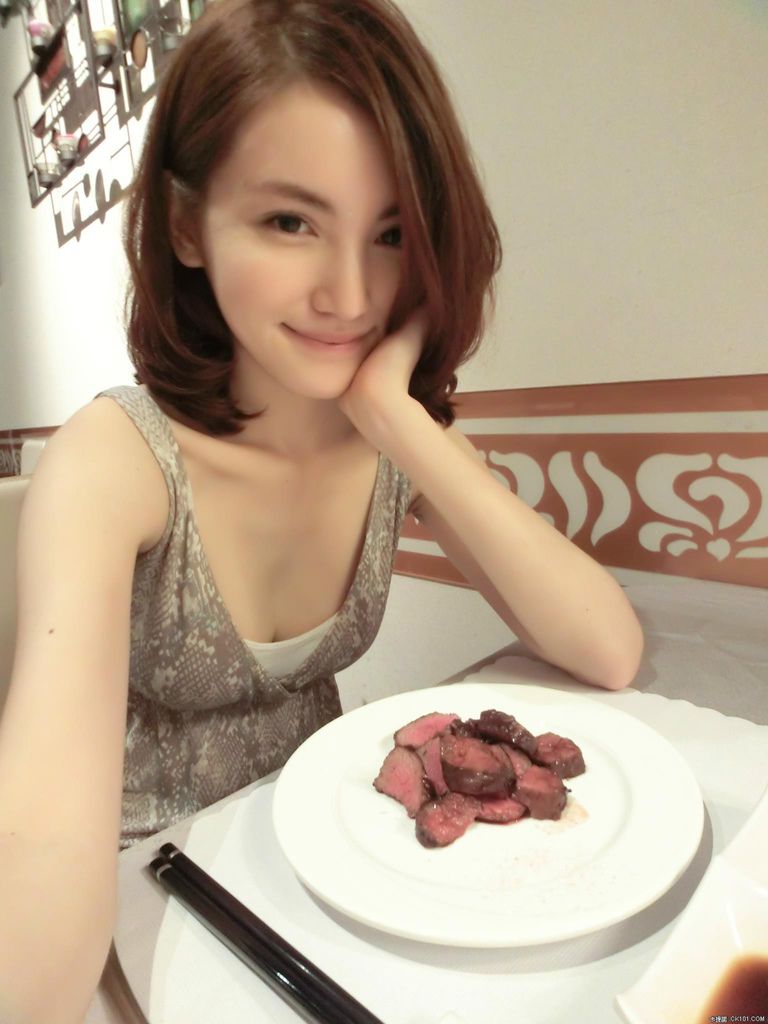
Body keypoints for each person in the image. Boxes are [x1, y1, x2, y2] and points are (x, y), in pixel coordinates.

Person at [0, 0, 643, 1020]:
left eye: (390, 234)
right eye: (290, 222)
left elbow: (607, 646)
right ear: (186, 225)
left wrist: (394, 415)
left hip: (326, 882)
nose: (349, 294)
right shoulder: (116, 461)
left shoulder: (391, 442)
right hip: (144, 908)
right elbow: (36, 852)